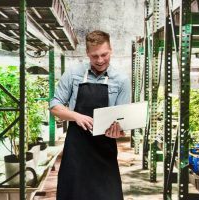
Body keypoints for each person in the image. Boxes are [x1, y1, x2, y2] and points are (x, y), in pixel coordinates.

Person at [50, 30, 131, 200]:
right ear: (87, 53)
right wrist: (76, 116)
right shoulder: (73, 74)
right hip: (77, 148)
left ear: (111, 50)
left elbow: (123, 119)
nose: (100, 60)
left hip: (104, 148)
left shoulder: (121, 80)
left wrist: (119, 130)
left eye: (104, 55)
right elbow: (55, 107)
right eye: (95, 56)